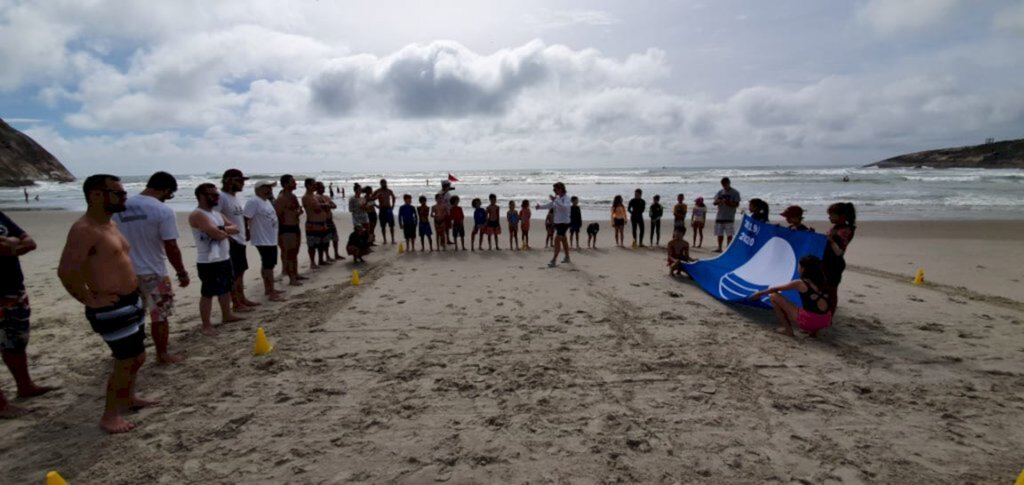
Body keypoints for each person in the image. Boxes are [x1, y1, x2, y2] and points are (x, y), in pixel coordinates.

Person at [58, 174, 156, 433]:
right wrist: (89, 298)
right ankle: (109, 416)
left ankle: (129, 398)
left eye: (124, 193)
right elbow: (67, 270)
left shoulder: (110, 225)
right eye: (119, 193)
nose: (124, 197)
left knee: (139, 356)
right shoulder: (84, 230)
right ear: (96, 195)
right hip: (111, 307)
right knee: (125, 360)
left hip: (130, 300)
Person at [114, 171, 189, 364]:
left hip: (125, 270)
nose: (169, 199)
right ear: (166, 189)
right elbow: (170, 246)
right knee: (160, 315)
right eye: (170, 195)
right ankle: (162, 353)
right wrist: (181, 271)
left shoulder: (121, 206)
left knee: (134, 316)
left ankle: (131, 353)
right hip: (154, 270)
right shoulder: (162, 210)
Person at [1, 211, 56, 418]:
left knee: (16, 341)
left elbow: (29, 242)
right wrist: (14, 245)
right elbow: (5, 247)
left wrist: (13, 243)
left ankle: (25, 386)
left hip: (13, 289)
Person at [189, 183, 244, 337]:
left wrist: (218, 229)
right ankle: (206, 324)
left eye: (217, 194)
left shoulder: (217, 215)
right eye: (212, 195)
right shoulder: (198, 214)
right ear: (201, 196)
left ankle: (227, 314)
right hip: (208, 260)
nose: (216, 197)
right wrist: (220, 231)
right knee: (208, 292)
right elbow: (216, 234)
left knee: (226, 288)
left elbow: (236, 228)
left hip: (224, 257)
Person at [750, 255, 832, 337]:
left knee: (773, 296)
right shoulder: (824, 282)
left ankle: (788, 330)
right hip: (825, 321)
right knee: (813, 305)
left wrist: (759, 293)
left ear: (803, 269)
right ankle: (813, 332)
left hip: (809, 322)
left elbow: (774, 289)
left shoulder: (799, 283)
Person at [219, 169, 260, 313]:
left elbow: (239, 218)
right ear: (229, 180)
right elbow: (215, 218)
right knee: (234, 273)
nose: (243, 184)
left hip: (240, 240)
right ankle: (236, 302)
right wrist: (227, 237)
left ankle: (241, 298)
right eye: (240, 181)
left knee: (241, 271)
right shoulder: (221, 197)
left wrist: (246, 231)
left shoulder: (234, 197)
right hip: (231, 241)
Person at [244, 180, 285, 302]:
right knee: (268, 266)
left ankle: (269, 288)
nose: (269, 189)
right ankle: (271, 291)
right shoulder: (253, 201)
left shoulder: (266, 201)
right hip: (262, 239)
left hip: (270, 238)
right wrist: (247, 232)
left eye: (270, 187)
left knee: (269, 265)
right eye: (266, 187)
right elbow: (246, 217)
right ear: (258, 189)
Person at [823, 202, 856, 313]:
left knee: (832, 291)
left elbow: (839, 252)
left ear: (841, 216)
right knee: (824, 289)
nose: (829, 217)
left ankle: (830, 315)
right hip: (827, 262)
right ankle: (825, 313)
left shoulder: (845, 230)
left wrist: (831, 241)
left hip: (835, 264)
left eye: (832, 215)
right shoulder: (836, 227)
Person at [274, 175, 304, 286]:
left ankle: (295, 274)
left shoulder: (293, 196)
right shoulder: (281, 198)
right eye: (293, 182)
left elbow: (298, 208)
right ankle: (291, 278)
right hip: (286, 229)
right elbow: (277, 216)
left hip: (295, 226)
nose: (295, 183)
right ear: (286, 184)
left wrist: (298, 212)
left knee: (295, 252)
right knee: (289, 253)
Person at [535, 182, 572, 267]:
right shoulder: (558, 198)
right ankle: (567, 257)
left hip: (564, 222)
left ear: (561, 189)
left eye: (555, 189)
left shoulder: (566, 198)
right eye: (553, 189)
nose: (554, 190)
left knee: (557, 240)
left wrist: (555, 200)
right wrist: (540, 207)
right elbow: (549, 205)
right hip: (558, 222)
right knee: (564, 240)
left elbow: (565, 207)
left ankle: (554, 260)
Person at [303, 178, 331, 270]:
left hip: (321, 223)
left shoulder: (315, 196)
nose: (315, 186)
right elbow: (316, 208)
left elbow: (324, 206)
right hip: (313, 224)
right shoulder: (306, 197)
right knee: (312, 245)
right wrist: (325, 205)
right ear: (308, 186)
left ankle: (321, 260)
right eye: (313, 184)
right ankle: (312, 262)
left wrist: (325, 205)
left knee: (322, 243)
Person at [713, 177, 741, 252]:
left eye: (725, 184)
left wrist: (727, 202)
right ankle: (719, 248)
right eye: (723, 184)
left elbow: (737, 204)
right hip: (720, 215)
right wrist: (719, 201)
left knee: (729, 234)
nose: (724, 186)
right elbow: (714, 202)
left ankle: (728, 248)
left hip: (729, 216)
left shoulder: (735, 192)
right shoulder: (720, 192)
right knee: (719, 233)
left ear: (729, 183)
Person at [317, 182, 342, 261]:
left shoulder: (326, 197)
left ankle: (336, 253)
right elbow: (318, 207)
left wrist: (328, 205)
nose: (323, 188)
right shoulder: (315, 197)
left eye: (323, 187)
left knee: (335, 238)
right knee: (325, 240)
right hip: (323, 220)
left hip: (330, 220)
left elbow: (334, 205)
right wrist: (326, 205)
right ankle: (327, 255)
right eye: (321, 187)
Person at [373, 179, 397, 244]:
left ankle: (392, 239)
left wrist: (393, 206)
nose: (384, 184)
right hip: (382, 209)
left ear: (386, 183)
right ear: (380, 184)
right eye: (382, 183)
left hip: (389, 209)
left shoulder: (389, 191)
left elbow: (394, 197)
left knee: (391, 225)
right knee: (383, 226)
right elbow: (372, 197)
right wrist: (376, 205)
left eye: (384, 183)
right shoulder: (378, 191)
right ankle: (385, 240)